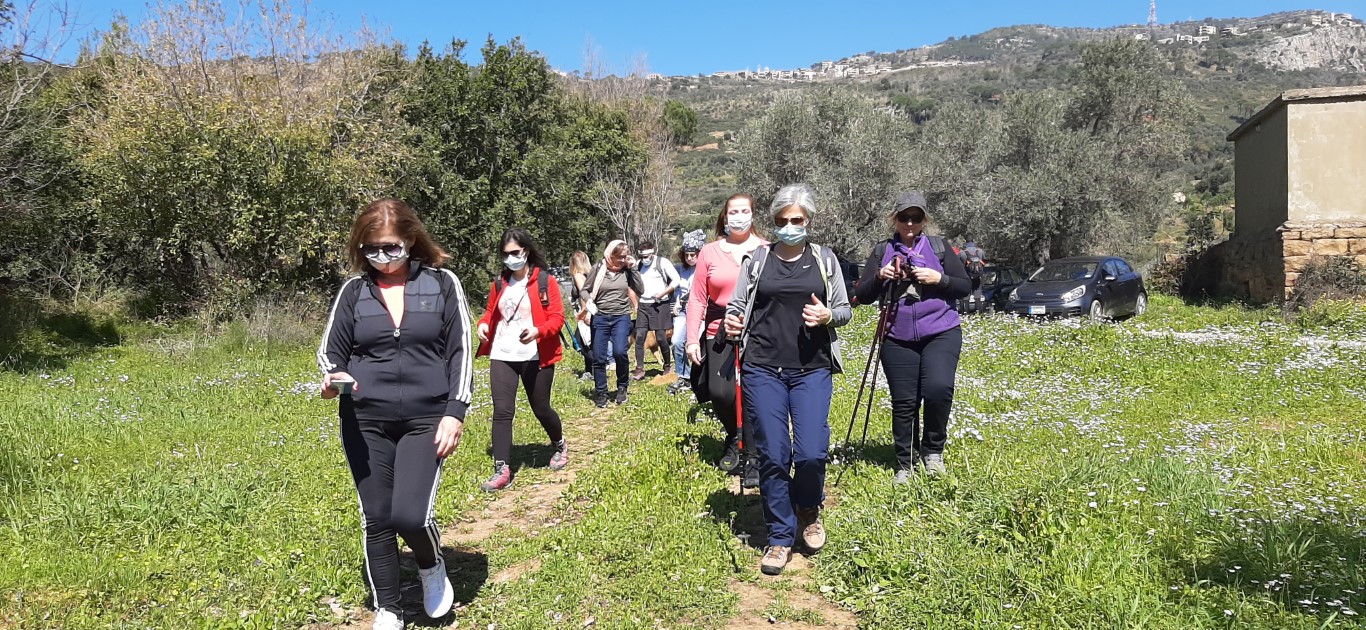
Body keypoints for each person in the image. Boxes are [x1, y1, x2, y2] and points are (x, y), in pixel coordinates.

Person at [318, 198, 468, 630]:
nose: (382, 257)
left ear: (410, 240)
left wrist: (455, 412)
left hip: (427, 417)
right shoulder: (353, 291)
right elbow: (331, 351)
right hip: (365, 420)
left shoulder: (442, 284)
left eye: (390, 247)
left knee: (410, 515)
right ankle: (389, 607)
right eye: (372, 249)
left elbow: (460, 351)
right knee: (377, 516)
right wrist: (334, 376)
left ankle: (430, 564)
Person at [724, 184, 851, 576]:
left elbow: (844, 309)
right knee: (774, 454)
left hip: (812, 367)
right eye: (783, 220)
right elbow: (737, 305)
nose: (790, 226)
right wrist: (732, 321)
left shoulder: (824, 259)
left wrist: (828, 316)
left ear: (808, 220)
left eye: (797, 220)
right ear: (774, 221)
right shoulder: (757, 260)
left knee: (811, 451)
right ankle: (780, 535)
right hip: (763, 367)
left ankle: (809, 508)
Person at [854, 191, 972, 483]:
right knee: (904, 402)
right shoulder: (882, 251)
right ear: (894, 219)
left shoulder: (939, 248)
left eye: (915, 217)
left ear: (924, 220)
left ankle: (932, 453)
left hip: (941, 331)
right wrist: (880, 277)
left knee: (938, 390)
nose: (909, 223)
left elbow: (964, 286)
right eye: (904, 217)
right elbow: (862, 295)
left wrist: (939, 279)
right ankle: (905, 463)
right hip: (896, 335)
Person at [474, 228, 568, 492]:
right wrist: (483, 325)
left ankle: (560, 444)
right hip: (503, 353)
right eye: (505, 254)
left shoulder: (545, 281)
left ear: (525, 251)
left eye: (514, 253)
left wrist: (539, 331)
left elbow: (557, 317)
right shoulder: (499, 284)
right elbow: (490, 313)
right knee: (502, 411)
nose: (510, 258)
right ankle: (502, 469)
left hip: (535, 354)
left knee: (541, 407)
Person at [687, 194, 767, 488]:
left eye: (744, 211)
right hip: (718, 327)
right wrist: (691, 339)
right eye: (733, 212)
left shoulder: (766, 249)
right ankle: (734, 435)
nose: (739, 216)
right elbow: (697, 298)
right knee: (720, 392)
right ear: (725, 216)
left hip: (757, 329)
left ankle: (753, 454)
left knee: (755, 393)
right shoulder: (709, 252)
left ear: (753, 215)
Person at [582, 240, 644, 407]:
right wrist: (589, 302)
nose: (623, 260)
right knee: (599, 357)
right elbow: (584, 290)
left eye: (625, 256)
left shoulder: (627, 271)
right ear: (611, 255)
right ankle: (601, 392)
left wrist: (634, 269)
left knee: (619, 352)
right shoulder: (598, 269)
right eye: (620, 257)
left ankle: (622, 387)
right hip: (600, 317)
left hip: (621, 317)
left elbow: (640, 289)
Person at [632, 237, 681, 380]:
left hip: (660, 304)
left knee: (660, 337)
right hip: (644, 304)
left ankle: (667, 366)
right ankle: (639, 369)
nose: (644, 259)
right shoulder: (638, 265)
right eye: (641, 257)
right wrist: (636, 302)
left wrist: (664, 293)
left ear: (652, 254)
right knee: (640, 336)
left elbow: (676, 279)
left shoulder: (662, 262)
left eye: (646, 256)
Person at [668, 230, 706, 395]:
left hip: (701, 311)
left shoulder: (705, 267)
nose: (690, 258)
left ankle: (701, 377)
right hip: (683, 310)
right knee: (677, 342)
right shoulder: (679, 269)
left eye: (693, 255)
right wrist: (675, 302)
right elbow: (676, 288)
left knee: (699, 344)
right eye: (687, 255)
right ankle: (683, 375)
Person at [568, 251, 595, 381]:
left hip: (586, 312)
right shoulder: (591, 275)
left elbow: (583, 294)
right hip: (592, 310)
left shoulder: (578, 276)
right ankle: (589, 370)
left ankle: (597, 366)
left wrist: (585, 313)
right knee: (587, 342)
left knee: (579, 342)